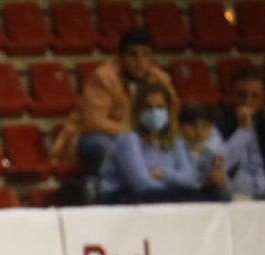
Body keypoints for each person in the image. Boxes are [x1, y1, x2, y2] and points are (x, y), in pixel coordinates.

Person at [52, 27, 177, 178]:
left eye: (146, 55)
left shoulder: (160, 79)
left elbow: (172, 113)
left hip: (145, 138)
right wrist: (134, 134)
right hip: (100, 137)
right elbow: (94, 122)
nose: (139, 61)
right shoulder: (103, 77)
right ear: (120, 56)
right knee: (102, 146)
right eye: (132, 55)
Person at [98, 82, 202, 205]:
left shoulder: (175, 142)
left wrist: (162, 174)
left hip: (159, 195)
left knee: (199, 196)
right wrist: (174, 184)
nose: (154, 112)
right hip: (122, 197)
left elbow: (192, 179)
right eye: (148, 107)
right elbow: (141, 183)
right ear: (138, 112)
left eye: (160, 107)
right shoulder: (128, 140)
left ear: (168, 112)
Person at [214, 68, 265, 201]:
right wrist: (243, 131)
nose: (247, 101)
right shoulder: (216, 125)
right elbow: (220, 166)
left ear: (263, 99)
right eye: (241, 95)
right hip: (233, 197)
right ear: (230, 96)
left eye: (255, 96)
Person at [179, 102, 230, 202]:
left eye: (204, 126)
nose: (199, 131)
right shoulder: (174, 152)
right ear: (179, 127)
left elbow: (227, 196)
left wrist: (220, 183)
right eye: (193, 126)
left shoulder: (213, 154)